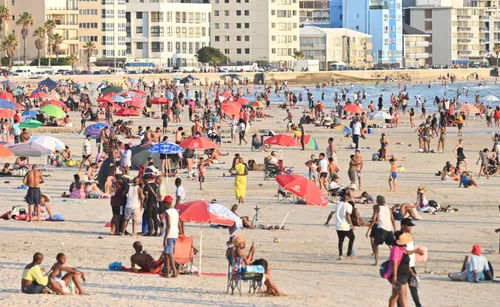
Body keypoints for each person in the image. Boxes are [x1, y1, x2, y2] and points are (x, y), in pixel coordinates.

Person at [387, 232, 424, 307]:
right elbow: (395, 262)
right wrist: (395, 276)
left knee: (395, 295)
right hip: (399, 275)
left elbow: (405, 259)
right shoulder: (396, 249)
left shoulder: (402, 248)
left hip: (404, 273)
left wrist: (411, 271)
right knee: (403, 296)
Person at [397, 219, 423, 307]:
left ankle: (418, 305)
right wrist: (416, 251)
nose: (410, 227)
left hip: (411, 265)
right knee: (400, 291)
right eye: (409, 226)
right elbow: (402, 252)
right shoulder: (400, 237)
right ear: (403, 226)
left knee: (414, 288)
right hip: (403, 267)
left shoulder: (409, 236)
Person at [324, 193, 355, 260]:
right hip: (346, 226)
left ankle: (340, 255)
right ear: (348, 199)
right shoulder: (349, 206)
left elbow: (331, 213)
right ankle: (349, 254)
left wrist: (327, 221)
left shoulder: (337, 204)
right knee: (352, 237)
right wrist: (352, 225)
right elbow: (348, 216)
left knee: (341, 240)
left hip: (338, 226)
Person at [366, 195, 396, 265]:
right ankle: (395, 260)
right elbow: (393, 220)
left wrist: (368, 230)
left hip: (381, 228)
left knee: (376, 245)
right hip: (389, 228)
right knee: (391, 246)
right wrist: (394, 229)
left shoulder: (378, 208)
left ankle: (376, 261)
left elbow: (373, 220)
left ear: (377, 202)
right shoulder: (389, 209)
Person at [162, 195, 184, 278]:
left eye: (164, 203)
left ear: (167, 203)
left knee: (170, 254)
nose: (163, 205)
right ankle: (167, 272)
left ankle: (174, 271)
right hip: (175, 234)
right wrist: (181, 232)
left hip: (169, 235)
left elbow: (168, 226)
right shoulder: (175, 211)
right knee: (167, 254)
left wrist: (165, 238)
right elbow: (179, 223)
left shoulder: (168, 213)